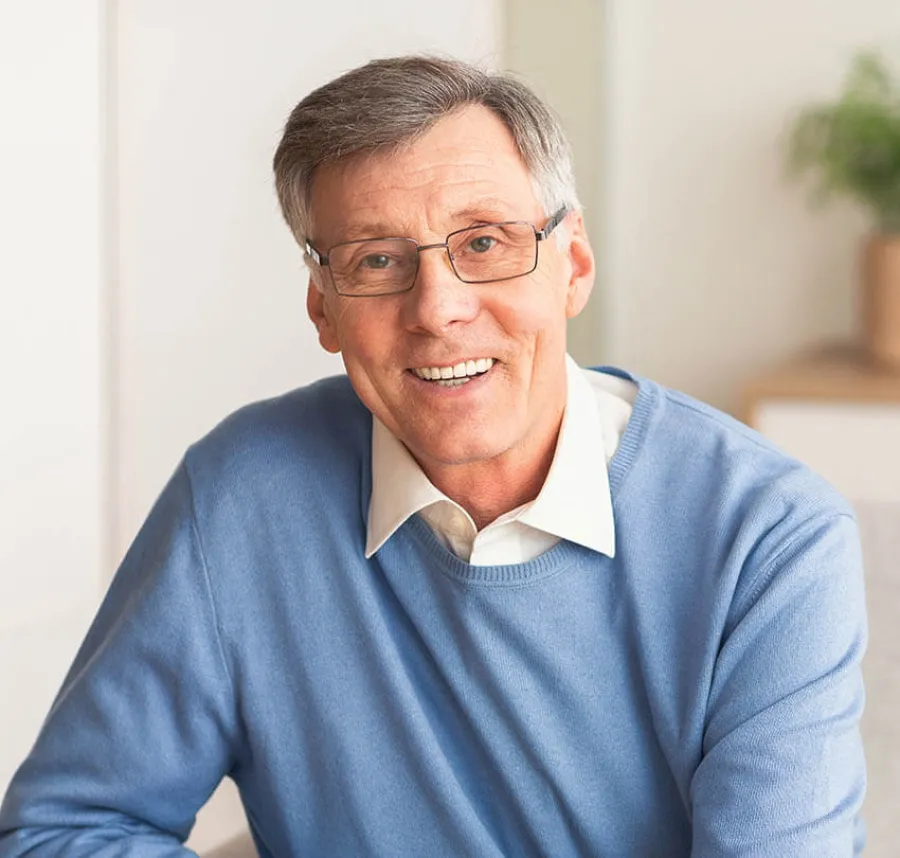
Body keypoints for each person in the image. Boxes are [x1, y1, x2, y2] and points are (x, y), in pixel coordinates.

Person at [0, 56, 867, 858]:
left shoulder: (771, 537)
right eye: (378, 261)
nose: (438, 308)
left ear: (572, 265)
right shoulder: (237, 499)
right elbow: (66, 829)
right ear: (324, 308)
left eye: (484, 242)